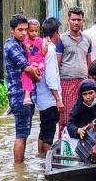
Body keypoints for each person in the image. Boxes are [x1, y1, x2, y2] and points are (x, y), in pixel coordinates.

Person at [4, 14, 39, 163]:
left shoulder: (21, 44)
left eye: (26, 30)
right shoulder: (11, 45)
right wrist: (37, 76)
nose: (24, 33)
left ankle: (20, 167)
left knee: (24, 133)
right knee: (21, 134)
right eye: (20, 30)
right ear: (12, 30)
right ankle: (19, 169)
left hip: (26, 96)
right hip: (20, 96)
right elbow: (27, 68)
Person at [56, 6, 92, 137]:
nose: (76, 23)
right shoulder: (61, 40)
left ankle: (82, 143)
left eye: (79, 20)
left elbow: (89, 64)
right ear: (68, 20)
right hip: (66, 83)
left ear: (83, 21)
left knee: (83, 116)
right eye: (73, 19)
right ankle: (63, 142)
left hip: (83, 83)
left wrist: (91, 82)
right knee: (66, 117)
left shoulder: (87, 40)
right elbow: (57, 64)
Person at [36, 17, 64, 157]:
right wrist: (58, 99)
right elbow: (51, 78)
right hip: (50, 99)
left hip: (41, 99)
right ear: (56, 33)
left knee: (43, 129)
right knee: (49, 132)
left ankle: (40, 156)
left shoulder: (42, 47)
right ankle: (47, 160)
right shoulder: (51, 51)